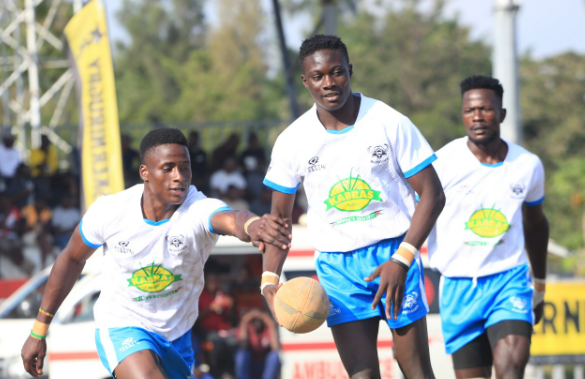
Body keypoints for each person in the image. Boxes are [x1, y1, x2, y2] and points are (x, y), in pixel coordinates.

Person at [21, 128, 291, 379]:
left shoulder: (198, 209)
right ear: (145, 172)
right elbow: (71, 258)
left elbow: (233, 219)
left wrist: (254, 225)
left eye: (185, 168)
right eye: (168, 168)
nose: (179, 176)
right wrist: (39, 329)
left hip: (177, 335)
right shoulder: (109, 211)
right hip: (122, 325)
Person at [261, 35, 445, 379]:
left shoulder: (388, 121)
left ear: (350, 71)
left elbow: (433, 194)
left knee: (415, 369)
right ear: (306, 81)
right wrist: (268, 280)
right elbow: (278, 221)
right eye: (318, 76)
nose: (329, 83)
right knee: (362, 375)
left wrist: (402, 260)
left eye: (337, 72)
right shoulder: (292, 140)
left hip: (394, 255)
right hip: (337, 266)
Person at [427, 75, 549, 379]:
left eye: (486, 109)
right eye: (469, 111)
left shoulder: (528, 165)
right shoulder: (441, 163)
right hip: (457, 286)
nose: (477, 117)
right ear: (462, 115)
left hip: (509, 281)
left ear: (502, 114)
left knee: (511, 369)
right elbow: (417, 216)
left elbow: (535, 226)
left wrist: (541, 285)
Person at [235, 309, 280, 379]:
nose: (257, 323)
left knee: (274, 356)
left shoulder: (266, 329)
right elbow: (243, 344)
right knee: (241, 354)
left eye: (259, 320)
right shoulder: (248, 328)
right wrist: (245, 320)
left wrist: (269, 322)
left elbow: (275, 347)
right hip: (251, 365)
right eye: (255, 320)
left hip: (263, 365)